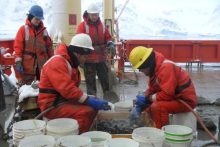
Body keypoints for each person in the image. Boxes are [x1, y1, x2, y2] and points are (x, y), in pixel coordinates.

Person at [38, 34, 111, 134]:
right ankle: (77, 140)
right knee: (85, 112)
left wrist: (91, 98)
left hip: (62, 101)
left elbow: (72, 91)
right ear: (77, 53)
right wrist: (88, 100)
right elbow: (68, 90)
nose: (85, 60)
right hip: (52, 106)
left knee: (94, 104)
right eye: (84, 57)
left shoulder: (70, 63)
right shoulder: (57, 63)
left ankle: (85, 132)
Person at [129, 46, 197, 129]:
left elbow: (167, 94)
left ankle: (162, 133)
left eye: (140, 68)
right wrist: (141, 107)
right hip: (174, 98)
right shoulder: (154, 70)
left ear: (146, 65)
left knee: (157, 107)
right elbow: (152, 90)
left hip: (185, 101)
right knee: (148, 108)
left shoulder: (166, 68)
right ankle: (151, 127)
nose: (140, 71)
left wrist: (147, 99)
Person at [76, 3, 116, 96]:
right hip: (88, 59)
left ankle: (108, 97)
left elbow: (108, 38)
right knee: (90, 82)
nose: (94, 17)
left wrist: (110, 43)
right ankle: (93, 100)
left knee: (105, 80)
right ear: (88, 14)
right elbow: (79, 41)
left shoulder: (102, 25)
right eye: (92, 15)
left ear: (98, 14)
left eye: (96, 14)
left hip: (101, 58)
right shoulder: (82, 26)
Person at [14, 5, 54, 85]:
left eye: (39, 19)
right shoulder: (23, 30)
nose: (38, 21)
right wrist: (18, 62)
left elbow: (49, 48)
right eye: (36, 19)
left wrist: (52, 61)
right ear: (30, 17)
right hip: (28, 66)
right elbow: (18, 47)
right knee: (26, 87)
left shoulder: (44, 31)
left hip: (42, 65)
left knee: (44, 85)